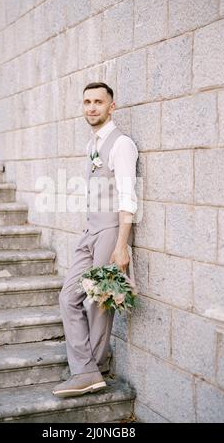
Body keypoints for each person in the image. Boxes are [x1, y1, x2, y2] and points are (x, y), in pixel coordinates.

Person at [53, 82, 138, 398]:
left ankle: (91, 371)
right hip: (90, 232)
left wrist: (121, 245)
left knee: (100, 301)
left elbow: (127, 198)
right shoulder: (93, 143)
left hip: (110, 233)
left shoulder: (121, 144)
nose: (91, 107)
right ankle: (88, 367)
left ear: (111, 106)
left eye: (98, 102)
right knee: (69, 297)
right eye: (87, 101)